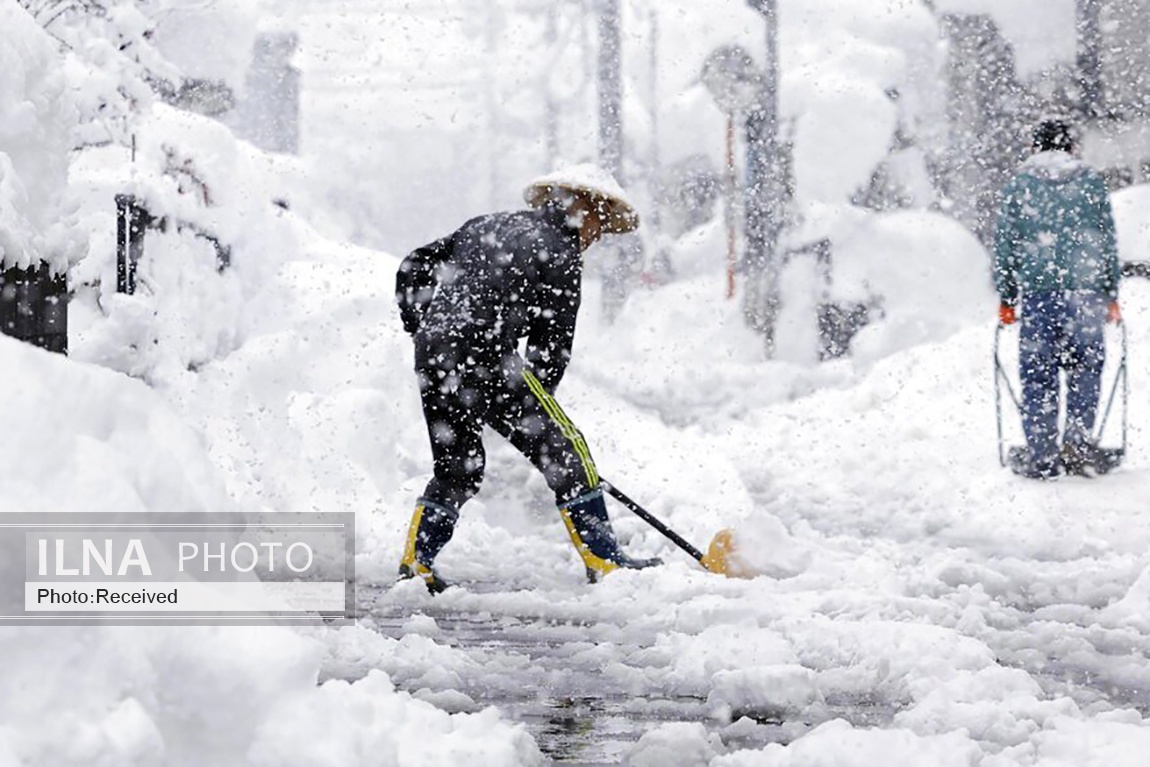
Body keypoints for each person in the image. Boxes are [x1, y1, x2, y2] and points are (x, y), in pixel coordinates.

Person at [394, 164, 661, 592]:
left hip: (435, 356)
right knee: (569, 451)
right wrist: (537, 416)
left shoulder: (486, 225)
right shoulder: (560, 251)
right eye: (600, 227)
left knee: (458, 468)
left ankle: (416, 561)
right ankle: (604, 559)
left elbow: (414, 265)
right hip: (487, 357)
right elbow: (551, 350)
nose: (596, 238)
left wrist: (423, 327)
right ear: (586, 210)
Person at [994, 118, 1122, 479]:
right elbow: (1105, 240)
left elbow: (1006, 244)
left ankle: (1042, 455)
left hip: (1039, 295)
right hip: (1086, 295)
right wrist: (1110, 292)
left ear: (1036, 147)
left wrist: (1007, 295)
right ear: (1071, 147)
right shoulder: (1091, 183)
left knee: (1038, 375)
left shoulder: (1019, 186)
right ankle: (1078, 448)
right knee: (1085, 372)